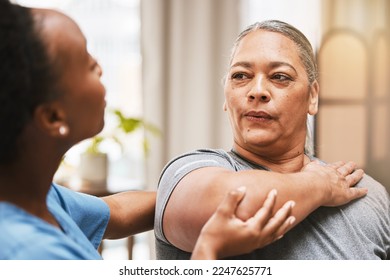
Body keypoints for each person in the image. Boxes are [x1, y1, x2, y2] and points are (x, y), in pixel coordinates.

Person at [0, 1, 297, 260]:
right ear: (53, 117)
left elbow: (115, 212)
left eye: (280, 76)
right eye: (87, 64)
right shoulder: (33, 253)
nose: (100, 67)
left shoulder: (41, 198)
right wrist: (208, 247)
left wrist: (188, 193)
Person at [155, 20, 390, 260]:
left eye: (279, 76)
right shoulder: (187, 172)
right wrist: (319, 184)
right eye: (241, 76)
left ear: (312, 96)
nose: (257, 91)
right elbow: (233, 209)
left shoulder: (367, 194)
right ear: (226, 95)